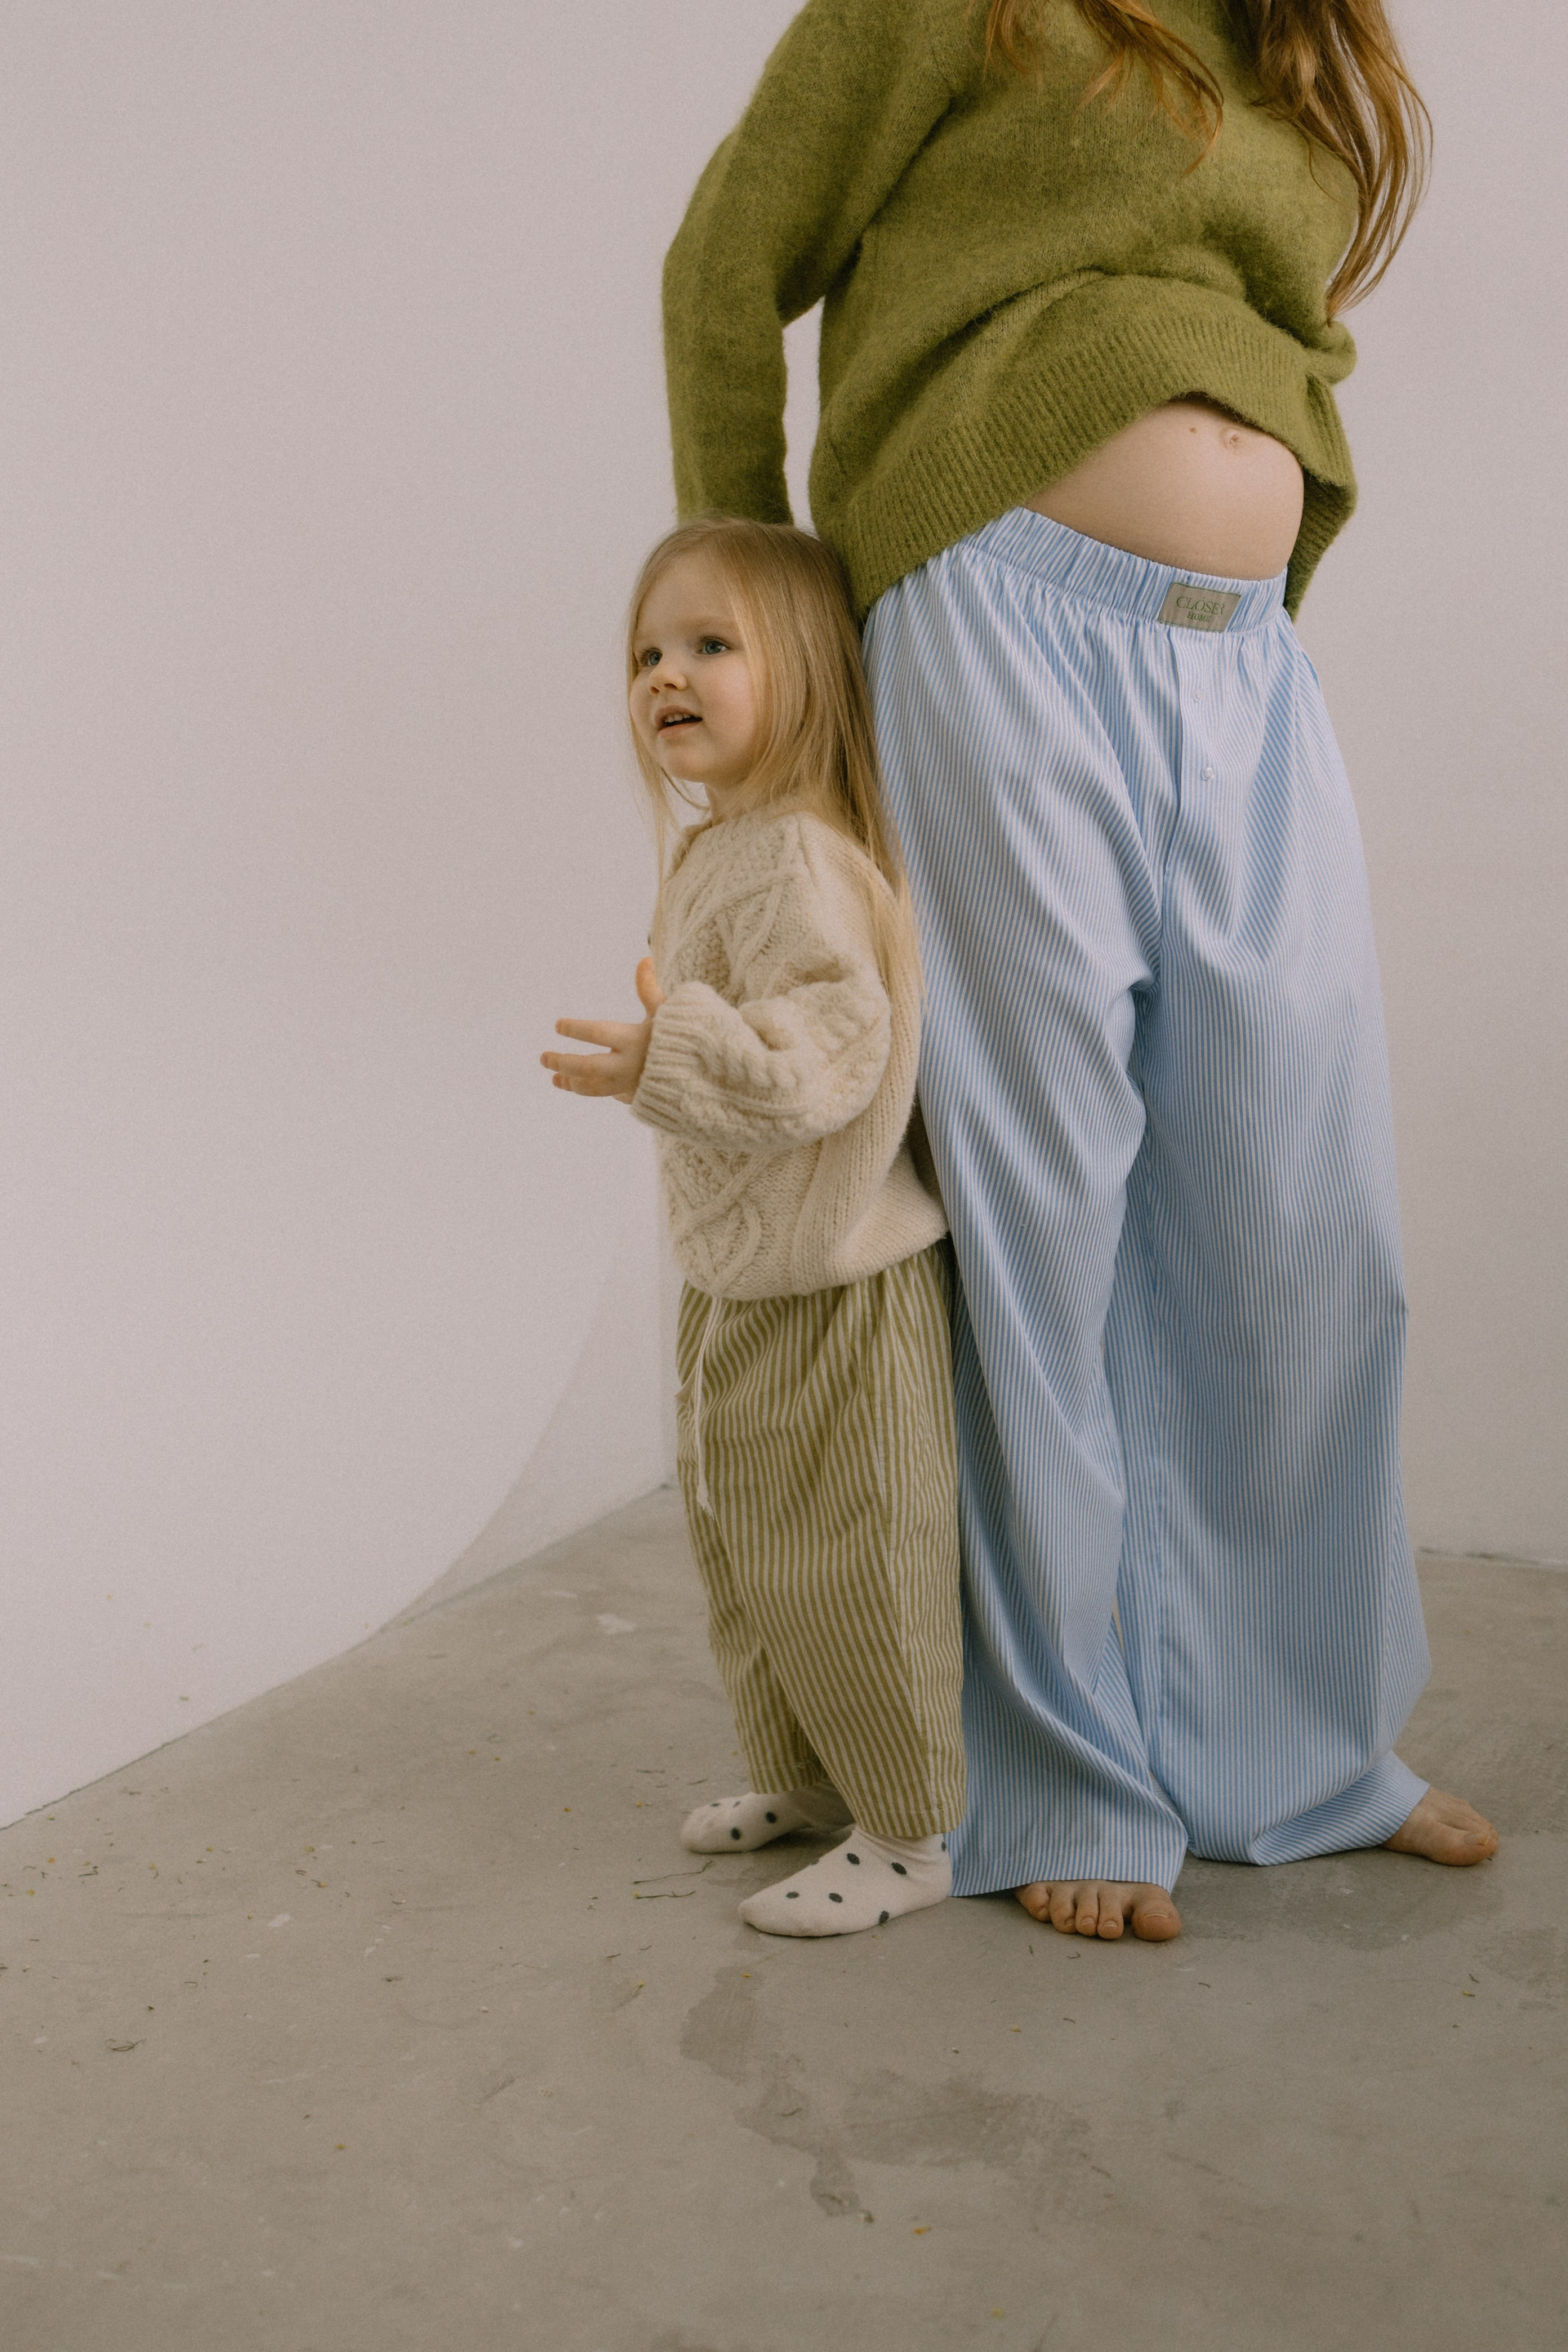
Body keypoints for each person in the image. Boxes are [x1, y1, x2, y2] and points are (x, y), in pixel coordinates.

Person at [661, 0, 1498, 1942]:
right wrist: (771, 628)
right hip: (995, 619)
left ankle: (1299, 1755)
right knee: (1049, 1220)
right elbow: (726, 260)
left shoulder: (1299, 37)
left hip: (1239, 656)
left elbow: (1280, 329)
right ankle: (1065, 1783)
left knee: (1311, 1220)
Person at [541, 517, 965, 1938]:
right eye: (648, 653)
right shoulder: (721, 847)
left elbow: (834, 1046)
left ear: (807, 672)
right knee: (749, 1547)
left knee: (855, 1560)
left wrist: (668, 1053)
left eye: (711, 645)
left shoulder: (797, 854)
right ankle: (814, 1775)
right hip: (745, 1277)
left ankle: (910, 1831)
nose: (666, 675)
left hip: (841, 1282)